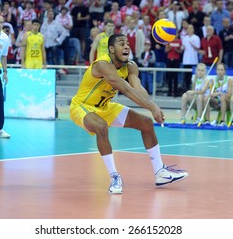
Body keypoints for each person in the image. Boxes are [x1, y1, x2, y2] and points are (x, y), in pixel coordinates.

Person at [70, 34, 188, 194]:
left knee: (146, 124)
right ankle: (114, 177)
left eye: (127, 44)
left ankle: (160, 172)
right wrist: (152, 107)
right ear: (111, 49)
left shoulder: (131, 66)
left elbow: (137, 89)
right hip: (83, 106)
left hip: (105, 106)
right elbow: (125, 89)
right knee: (101, 126)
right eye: (121, 44)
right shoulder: (102, 65)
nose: (126, 46)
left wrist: (153, 106)